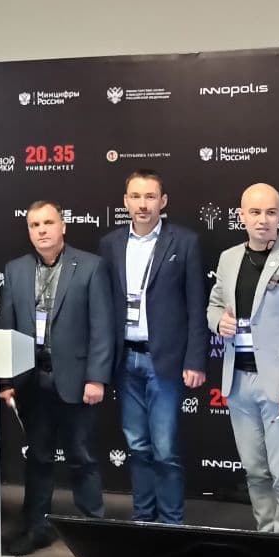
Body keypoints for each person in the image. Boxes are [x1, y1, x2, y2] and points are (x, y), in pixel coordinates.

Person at [207, 183, 279, 534]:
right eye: (255, 212)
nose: (263, 220)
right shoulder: (228, 258)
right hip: (238, 382)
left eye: (270, 212)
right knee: (256, 473)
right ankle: (266, 540)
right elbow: (214, 304)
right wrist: (218, 321)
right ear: (241, 216)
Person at [0, 201, 113, 555]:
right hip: (32, 382)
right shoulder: (15, 270)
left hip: (77, 380)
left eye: (48, 223)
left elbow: (102, 327)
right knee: (38, 457)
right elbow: (6, 326)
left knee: (82, 456)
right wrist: (6, 381)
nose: (42, 230)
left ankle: (94, 530)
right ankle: (37, 527)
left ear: (63, 226)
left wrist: (96, 378)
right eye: (35, 225)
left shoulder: (90, 266)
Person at [99, 169, 208, 524]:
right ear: (125, 201)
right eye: (136, 196)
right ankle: (143, 520)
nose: (143, 204)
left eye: (150, 197)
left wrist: (195, 360)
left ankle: (172, 524)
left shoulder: (185, 242)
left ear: (163, 201)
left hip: (166, 362)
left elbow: (196, 306)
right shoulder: (110, 244)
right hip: (125, 360)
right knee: (137, 447)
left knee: (165, 450)